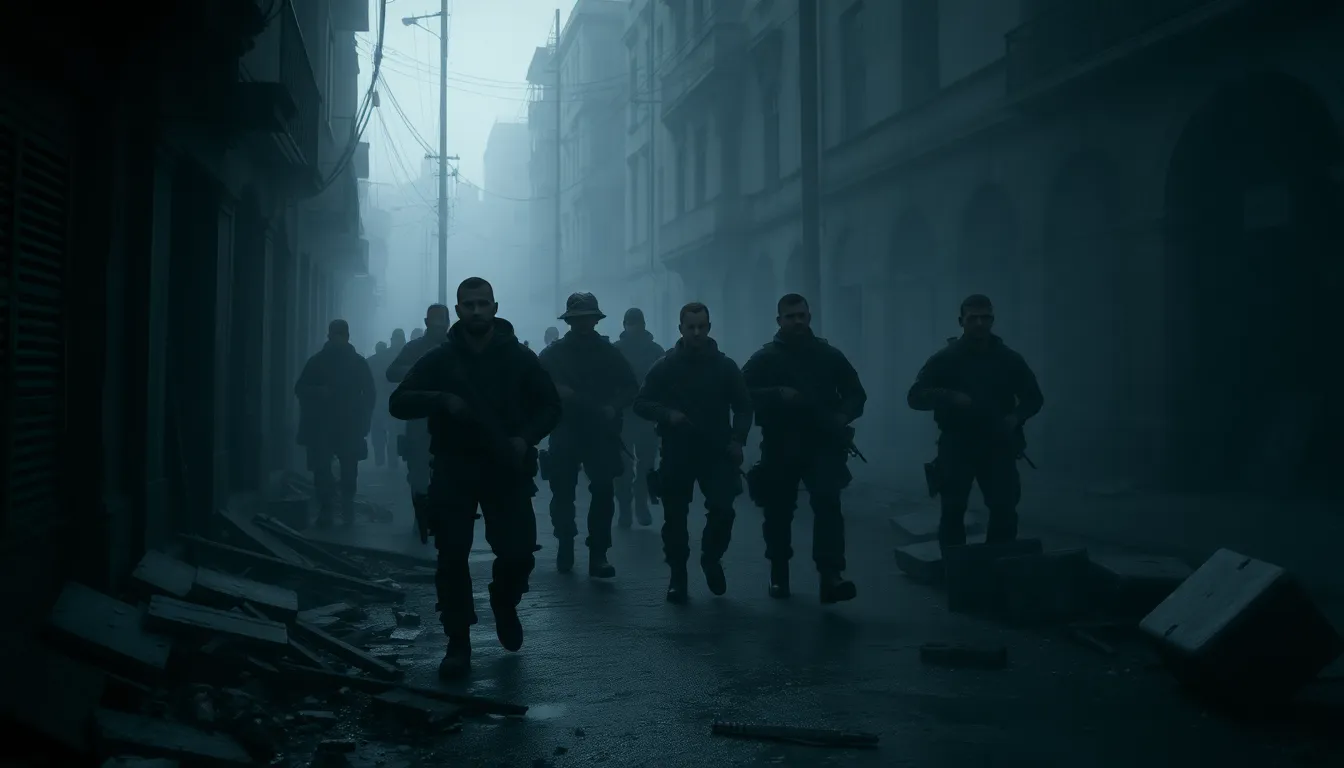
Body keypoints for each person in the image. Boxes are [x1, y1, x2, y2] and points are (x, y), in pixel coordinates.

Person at [388, 277, 561, 680]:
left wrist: (524, 439)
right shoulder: (441, 359)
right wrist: (443, 400)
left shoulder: (519, 358)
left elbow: (550, 406)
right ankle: (458, 641)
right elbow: (400, 401)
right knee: (451, 558)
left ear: (495, 307)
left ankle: (504, 601)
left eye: (483, 303)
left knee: (518, 553)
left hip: (505, 467)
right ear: (459, 309)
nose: (477, 311)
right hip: (454, 465)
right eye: (469, 304)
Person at [742, 294, 866, 603]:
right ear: (779, 321)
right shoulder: (765, 359)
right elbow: (740, 393)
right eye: (790, 316)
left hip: (822, 444)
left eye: (801, 315)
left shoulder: (829, 356)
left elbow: (855, 394)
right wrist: (776, 394)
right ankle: (779, 574)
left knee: (828, 505)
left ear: (809, 316)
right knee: (778, 511)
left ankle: (831, 576)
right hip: (780, 444)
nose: (797, 321)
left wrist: (841, 416)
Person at [633, 303, 751, 603]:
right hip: (678, 451)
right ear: (681, 329)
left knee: (723, 511)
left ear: (708, 328)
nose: (696, 332)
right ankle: (678, 576)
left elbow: (743, 406)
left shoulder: (725, 367)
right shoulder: (666, 365)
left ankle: (711, 558)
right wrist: (667, 414)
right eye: (691, 327)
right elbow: (642, 402)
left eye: (701, 326)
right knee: (675, 519)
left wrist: (738, 440)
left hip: (716, 452)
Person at [907, 294, 1044, 550]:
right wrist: (949, 396)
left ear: (992, 320)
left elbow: (1034, 399)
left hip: (998, 444)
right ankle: (957, 573)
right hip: (957, 444)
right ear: (962, 321)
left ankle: (998, 571)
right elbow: (915, 397)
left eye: (985, 317)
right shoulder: (945, 359)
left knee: (1004, 509)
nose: (980, 323)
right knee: (953, 510)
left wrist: (1015, 417)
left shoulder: (1009, 359)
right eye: (973, 318)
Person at [536, 293, 639, 578]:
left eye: (588, 319)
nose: (584, 324)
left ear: (595, 320)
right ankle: (566, 543)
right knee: (563, 492)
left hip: (599, 431)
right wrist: (555, 393)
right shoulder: (553, 355)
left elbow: (631, 388)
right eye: (578, 319)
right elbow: (535, 387)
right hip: (566, 429)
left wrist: (611, 407)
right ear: (570, 321)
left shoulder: (608, 353)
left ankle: (598, 553)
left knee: (604, 491)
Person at [294, 319, 377, 526]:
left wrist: (364, 419)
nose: (338, 338)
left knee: (349, 469)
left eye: (341, 334)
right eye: (335, 334)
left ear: (347, 336)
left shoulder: (357, 363)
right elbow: (300, 388)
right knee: (322, 468)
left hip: (349, 424)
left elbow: (369, 394)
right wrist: (318, 391)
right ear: (330, 336)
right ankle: (327, 507)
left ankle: (346, 505)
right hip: (321, 425)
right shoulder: (317, 362)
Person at [387, 305, 452, 535]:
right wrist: (418, 371)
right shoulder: (415, 348)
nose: (438, 328)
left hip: (450, 422)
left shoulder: (456, 347)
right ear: (426, 323)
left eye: (441, 324)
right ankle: (422, 516)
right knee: (418, 473)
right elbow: (392, 372)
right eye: (434, 324)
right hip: (420, 421)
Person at [613, 307, 665, 528]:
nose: (634, 327)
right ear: (625, 324)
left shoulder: (655, 351)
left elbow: (664, 382)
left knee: (646, 466)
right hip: (624, 416)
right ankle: (625, 509)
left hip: (646, 417)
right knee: (623, 468)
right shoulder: (615, 351)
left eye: (637, 323)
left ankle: (641, 506)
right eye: (631, 323)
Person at [366, 340, 398, 469]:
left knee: (378, 431)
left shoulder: (370, 361)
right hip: (389, 400)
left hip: (377, 401)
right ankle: (392, 459)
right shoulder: (392, 360)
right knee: (392, 432)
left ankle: (380, 457)